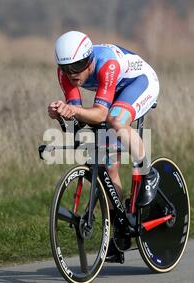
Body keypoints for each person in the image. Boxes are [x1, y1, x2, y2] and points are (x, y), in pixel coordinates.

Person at [48, 31, 160, 263]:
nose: (72, 74)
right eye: (67, 68)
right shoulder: (66, 73)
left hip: (140, 82)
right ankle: (119, 228)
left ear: (89, 59)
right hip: (113, 92)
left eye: (78, 66)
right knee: (108, 166)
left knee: (115, 120)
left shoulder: (106, 63)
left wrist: (76, 111)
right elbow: (78, 114)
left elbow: (100, 114)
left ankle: (147, 172)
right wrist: (61, 111)